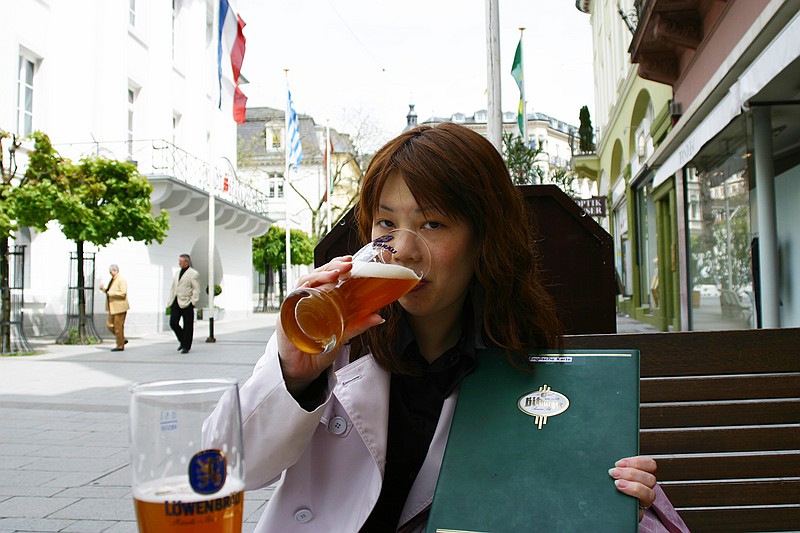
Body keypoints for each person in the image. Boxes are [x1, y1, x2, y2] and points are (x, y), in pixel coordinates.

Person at [207, 123, 689, 532]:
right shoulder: (336, 343)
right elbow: (221, 468)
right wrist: (293, 374)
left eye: (432, 224)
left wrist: (615, 501)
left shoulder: (527, 365)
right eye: (386, 224)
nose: (403, 249)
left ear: (485, 238)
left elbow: (550, 497)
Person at [167, 253, 200, 354]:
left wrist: (193, 302)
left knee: (188, 326)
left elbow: (196, 289)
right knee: (173, 322)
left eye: (181, 261)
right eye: (179, 261)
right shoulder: (177, 273)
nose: (179, 263)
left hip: (187, 302)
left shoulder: (193, 274)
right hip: (176, 301)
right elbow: (173, 287)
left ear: (187, 262)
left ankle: (186, 346)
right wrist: (170, 300)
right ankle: (182, 340)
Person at [99, 264, 129, 352]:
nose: (110, 273)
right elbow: (109, 292)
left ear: (115, 270)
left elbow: (123, 293)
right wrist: (104, 289)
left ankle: (120, 346)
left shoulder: (121, 280)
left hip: (120, 307)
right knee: (109, 325)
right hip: (113, 307)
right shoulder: (113, 280)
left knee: (118, 327)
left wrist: (112, 294)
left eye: (111, 271)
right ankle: (122, 339)